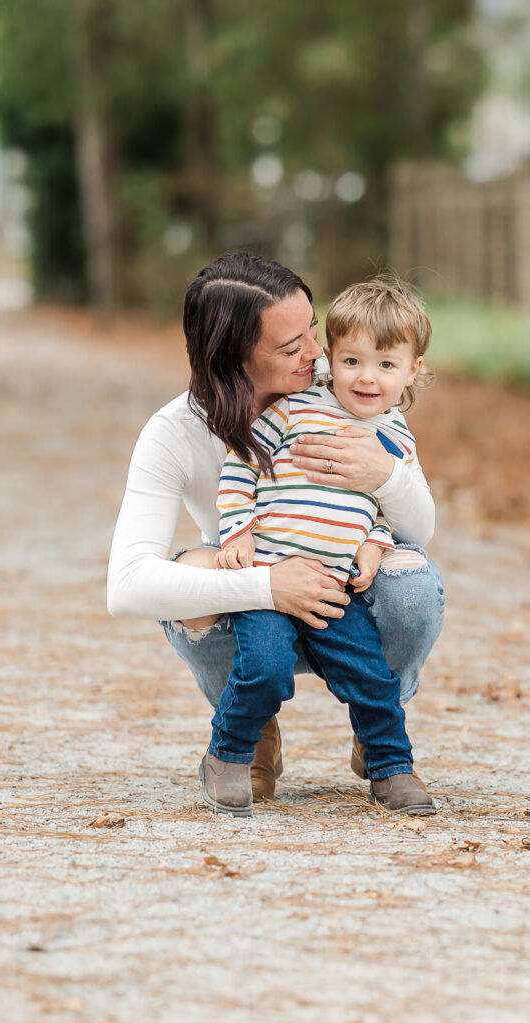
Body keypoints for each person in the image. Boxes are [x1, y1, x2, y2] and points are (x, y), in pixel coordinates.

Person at [107, 254, 444, 806]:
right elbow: (126, 588)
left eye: (313, 331)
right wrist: (267, 584)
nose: (317, 353)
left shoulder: (349, 393)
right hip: (255, 602)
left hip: (338, 589)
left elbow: (418, 529)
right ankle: (250, 736)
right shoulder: (174, 433)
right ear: (233, 357)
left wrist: (384, 477)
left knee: (411, 580)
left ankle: (380, 726)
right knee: (195, 570)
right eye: (293, 348)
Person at [201, 279, 436, 817]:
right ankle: (228, 756)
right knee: (264, 667)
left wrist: (375, 547)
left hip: (335, 584)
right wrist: (237, 530)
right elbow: (241, 465)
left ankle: (390, 767)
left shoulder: (396, 436)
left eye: (386, 365)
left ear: (413, 370)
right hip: (271, 576)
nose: (367, 377)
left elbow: (383, 510)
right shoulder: (294, 408)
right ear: (330, 358)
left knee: (372, 677)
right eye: (352, 360)